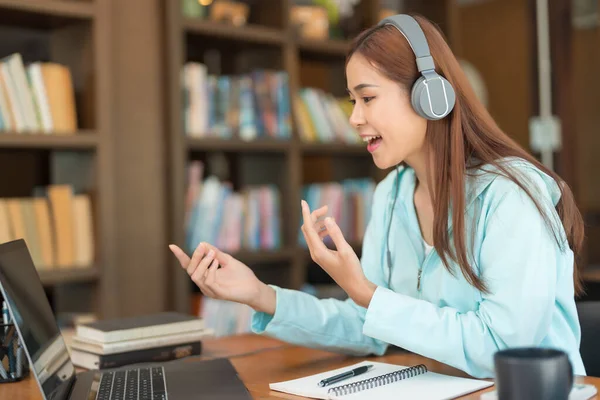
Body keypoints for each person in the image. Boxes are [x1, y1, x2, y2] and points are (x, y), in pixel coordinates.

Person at [169, 13, 587, 379]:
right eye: (352, 101)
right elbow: (367, 323)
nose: (354, 118)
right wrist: (259, 294)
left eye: (367, 97)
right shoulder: (392, 195)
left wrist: (367, 294)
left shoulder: (511, 194)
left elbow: (504, 348)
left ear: (430, 94)